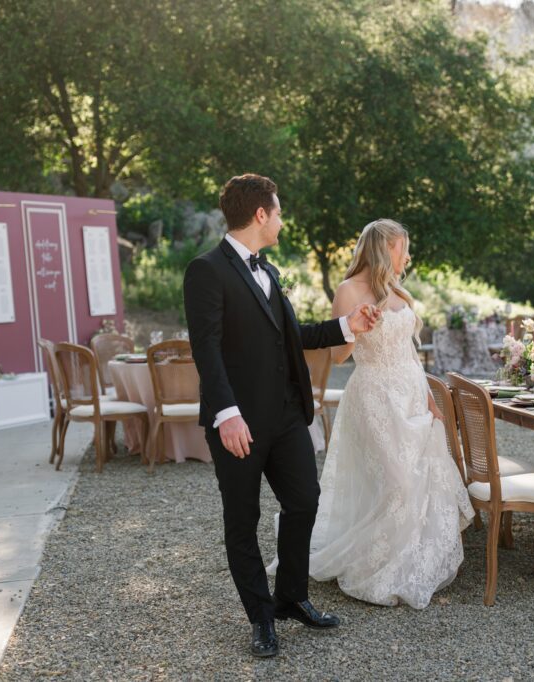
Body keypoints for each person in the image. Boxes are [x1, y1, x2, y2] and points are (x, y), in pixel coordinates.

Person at [183, 173, 380, 658]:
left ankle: (291, 597)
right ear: (260, 215)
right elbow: (205, 350)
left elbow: (291, 336)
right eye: (279, 211)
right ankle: (261, 617)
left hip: (287, 416)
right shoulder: (205, 271)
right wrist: (226, 414)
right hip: (238, 423)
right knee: (242, 519)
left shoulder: (267, 270)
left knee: (305, 500)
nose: (283, 219)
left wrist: (344, 326)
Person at [302, 218, 474, 608]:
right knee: (394, 482)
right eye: (402, 248)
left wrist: (429, 397)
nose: (407, 255)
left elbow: (410, 352)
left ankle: (409, 565)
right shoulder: (348, 290)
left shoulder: (398, 290)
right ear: (384, 248)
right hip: (375, 395)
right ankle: (375, 565)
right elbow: (339, 354)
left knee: (418, 480)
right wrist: (357, 326)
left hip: (411, 393)